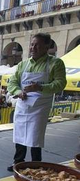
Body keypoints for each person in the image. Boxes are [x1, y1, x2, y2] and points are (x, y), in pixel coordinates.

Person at [6, 33, 66, 171]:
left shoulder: (55, 63)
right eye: (32, 44)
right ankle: (18, 162)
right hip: (23, 104)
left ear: (47, 46)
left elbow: (60, 83)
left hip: (40, 106)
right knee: (19, 133)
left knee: (35, 135)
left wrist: (40, 87)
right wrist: (18, 92)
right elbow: (12, 82)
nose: (33, 48)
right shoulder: (23, 64)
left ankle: (35, 164)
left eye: (37, 45)